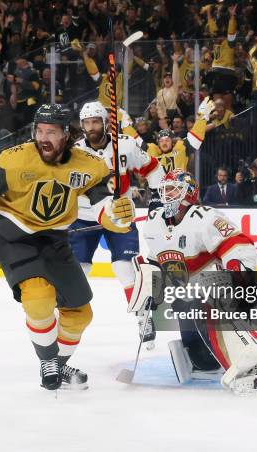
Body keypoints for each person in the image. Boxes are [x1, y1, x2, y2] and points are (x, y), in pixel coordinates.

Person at [0, 104, 135, 391]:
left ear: (66, 135)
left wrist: (116, 216)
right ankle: (49, 361)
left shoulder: (88, 164)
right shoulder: (15, 159)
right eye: (39, 130)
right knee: (38, 298)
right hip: (16, 239)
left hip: (56, 241)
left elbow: (103, 206)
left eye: (51, 132)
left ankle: (57, 364)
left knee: (81, 315)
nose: (43, 137)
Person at [130, 170, 257, 393]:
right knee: (201, 357)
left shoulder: (206, 217)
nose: (166, 194)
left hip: (213, 293)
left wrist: (237, 278)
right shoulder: (154, 223)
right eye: (165, 189)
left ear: (188, 193)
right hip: (183, 298)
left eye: (173, 189)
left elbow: (239, 244)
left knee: (214, 311)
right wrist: (151, 294)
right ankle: (208, 360)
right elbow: (153, 261)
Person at [70, 101, 164, 349]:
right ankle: (65, 317)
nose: (91, 127)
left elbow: (154, 169)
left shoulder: (125, 144)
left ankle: (144, 317)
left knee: (125, 267)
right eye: (86, 122)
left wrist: (156, 200)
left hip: (119, 214)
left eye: (95, 122)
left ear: (105, 122)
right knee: (78, 270)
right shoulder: (74, 152)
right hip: (83, 215)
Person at [146, 98, 213, 174]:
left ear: (172, 142)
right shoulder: (153, 151)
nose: (164, 143)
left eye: (167, 140)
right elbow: (135, 140)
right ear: (158, 143)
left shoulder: (181, 146)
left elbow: (195, 135)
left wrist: (202, 118)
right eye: (161, 141)